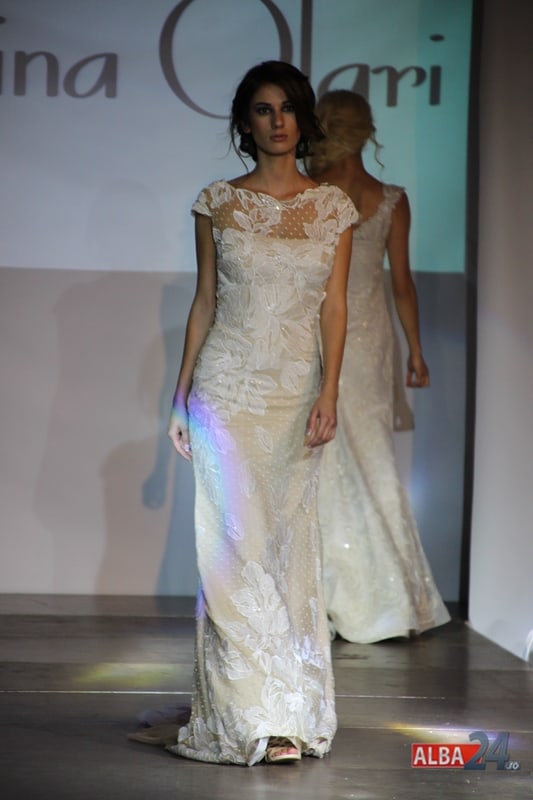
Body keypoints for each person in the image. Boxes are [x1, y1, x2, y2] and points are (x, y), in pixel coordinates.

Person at [164, 63, 357, 765]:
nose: (277, 121)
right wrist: (180, 395)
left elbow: (335, 308)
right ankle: (253, 718)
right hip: (228, 391)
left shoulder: (333, 208)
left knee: (284, 552)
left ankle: (289, 708)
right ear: (244, 122)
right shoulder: (218, 202)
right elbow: (205, 303)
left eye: (288, 109)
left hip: (294, 396)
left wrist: (329, 391)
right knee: (231, 549)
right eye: (263, 110)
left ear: (303, 119)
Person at [307, 90, 450, 644]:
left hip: (325, 337)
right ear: (367, 131)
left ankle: (332, 593)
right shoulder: (388, 199)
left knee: (323, 458)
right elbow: (402, 285)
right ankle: (386, 595)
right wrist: (415, 349)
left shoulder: (310, 192)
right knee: (368, 457)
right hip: (365, 340)